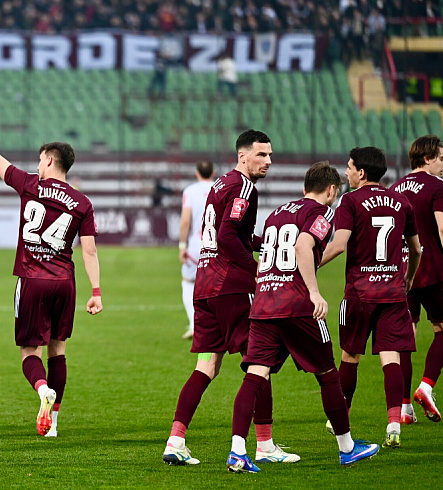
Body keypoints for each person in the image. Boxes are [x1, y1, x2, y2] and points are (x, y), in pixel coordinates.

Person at [227, 162, 379, 473]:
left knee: (255, 375)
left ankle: (238, 451)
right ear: (332, 190)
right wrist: (314, 292)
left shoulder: (277, 213)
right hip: (296, 304)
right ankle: (347, 448)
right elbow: (302, 245)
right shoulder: (323, 213)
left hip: (264, 302)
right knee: (328, 374)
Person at [164, 130, 299, 466]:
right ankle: (264, 444)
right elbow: (226, 236)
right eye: (261, 155)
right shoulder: (244, 186)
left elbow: (226, 232)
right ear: (243, 155)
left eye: (270, 155)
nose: (268, 161)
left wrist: (264, 243)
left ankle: (176, 441)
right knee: (260, 362)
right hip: (231, 288)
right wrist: (255, 269)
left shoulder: (220, 183)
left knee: (207, 366)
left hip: (205, 284)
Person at [0, 99, 102, 438]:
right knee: (58, 349)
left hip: (32, 279)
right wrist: (96, 291)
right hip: (65, 282)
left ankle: (42, 389)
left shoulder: (30, 184)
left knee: (29, 351)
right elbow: (89, 251)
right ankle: (53, 424)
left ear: (48, 160)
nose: (37, 164)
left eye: (39, 159)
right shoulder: (82, 202)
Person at [320, 146, 422, 449]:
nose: (346, 172)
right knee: (391, 357)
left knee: (350, 356)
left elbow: (339, 244)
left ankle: (341, 417)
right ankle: (394, 424)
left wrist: (309, 265)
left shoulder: (350, 200)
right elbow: (416, 249)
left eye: (350, 167)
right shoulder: (401, 201)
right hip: (393, 293)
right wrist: (409, 277)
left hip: (359, 293)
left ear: (362, 173)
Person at [391, 135, 443, 423]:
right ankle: (426, 387)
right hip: (432, 269)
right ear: (427, 158)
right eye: (441, 158)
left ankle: (404, 409)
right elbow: (442, 229)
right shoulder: (437, 186)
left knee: (405, 338)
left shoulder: (395, 189)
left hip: (401, 272)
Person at [178, 161, 214, 340]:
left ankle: (194, 325)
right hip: (216, 245)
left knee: (188, 282)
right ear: (213, 172)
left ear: (197, 173)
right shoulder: (221, 188)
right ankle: (215, 325)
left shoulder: (190, 191)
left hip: (195, 245)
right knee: (215, 284)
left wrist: (182, 245)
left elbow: (185, 221)